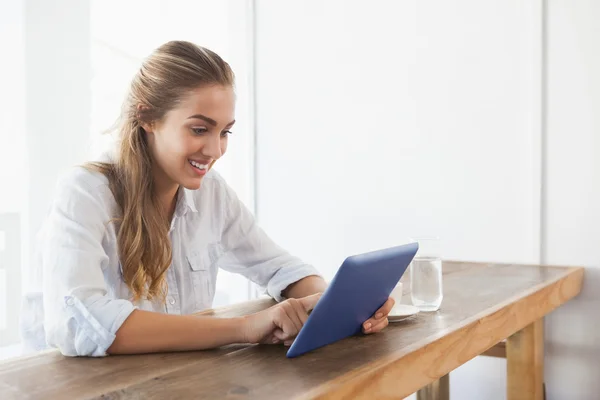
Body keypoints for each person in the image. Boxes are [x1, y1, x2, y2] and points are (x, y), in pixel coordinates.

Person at [19, 41, 395, 357]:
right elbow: (79, 322)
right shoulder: (85, 192)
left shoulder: (212, 193)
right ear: (147, 118)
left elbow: (280, 267)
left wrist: (336, 309)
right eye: (199, 129)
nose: (215, 149)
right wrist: (246, 328)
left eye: (225, 132)